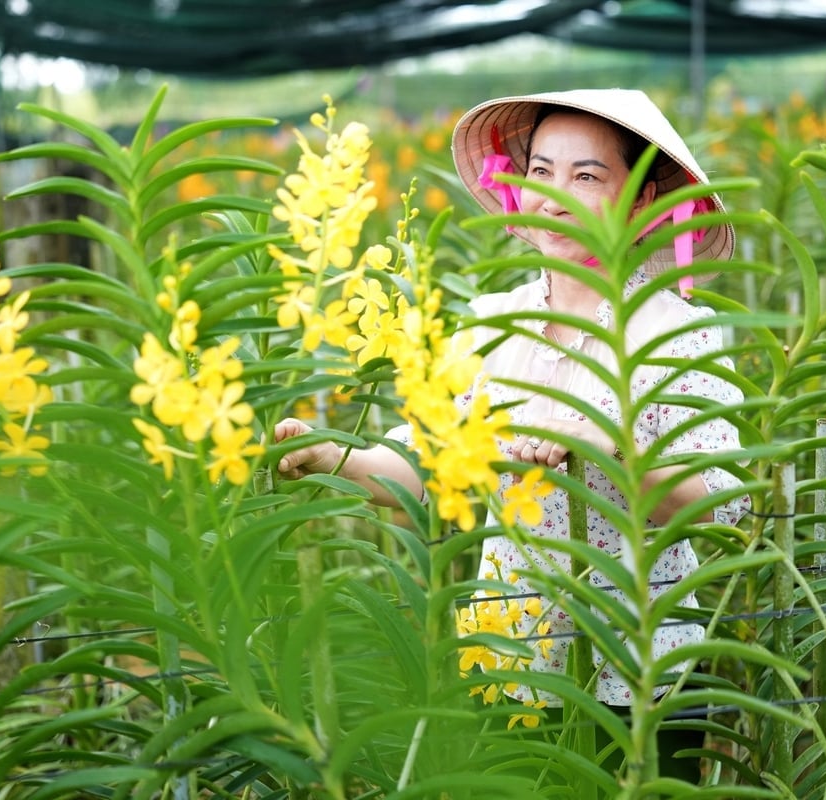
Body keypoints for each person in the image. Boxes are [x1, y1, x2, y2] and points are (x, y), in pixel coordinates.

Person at [273, 89, 750, 781]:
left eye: (586, 176)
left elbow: (720, 502)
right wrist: (333, 456)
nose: (554, 197)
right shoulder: (493, 326)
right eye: (541, 171)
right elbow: (432, 471)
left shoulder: (674, 329)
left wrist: (607, 447)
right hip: (513, 659)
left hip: (642, 676)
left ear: (641, 198)